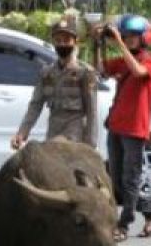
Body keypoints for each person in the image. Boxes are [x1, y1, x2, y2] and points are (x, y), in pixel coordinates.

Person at [95, 14, 151, 242]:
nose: (129, 40)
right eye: (126, 36)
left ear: (145, 37)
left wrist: (118, 43)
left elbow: (138, 72)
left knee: (131, 179)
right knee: (117, 180)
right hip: (116, 125)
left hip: (135, 129)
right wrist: (99, 44)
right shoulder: (123, 59)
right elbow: (101, 70)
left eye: (134, 36)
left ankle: (123, 225)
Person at [13, 9, 98, 149]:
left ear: (75, 41)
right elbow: (35, 105)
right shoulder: (47, 73)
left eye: (66, 40)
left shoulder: (85, 73)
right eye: (58, 41)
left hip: (75, 136)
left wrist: (90, 145)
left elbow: (92, 112)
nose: (62, 44)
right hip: (53, 134)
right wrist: (22, 133)